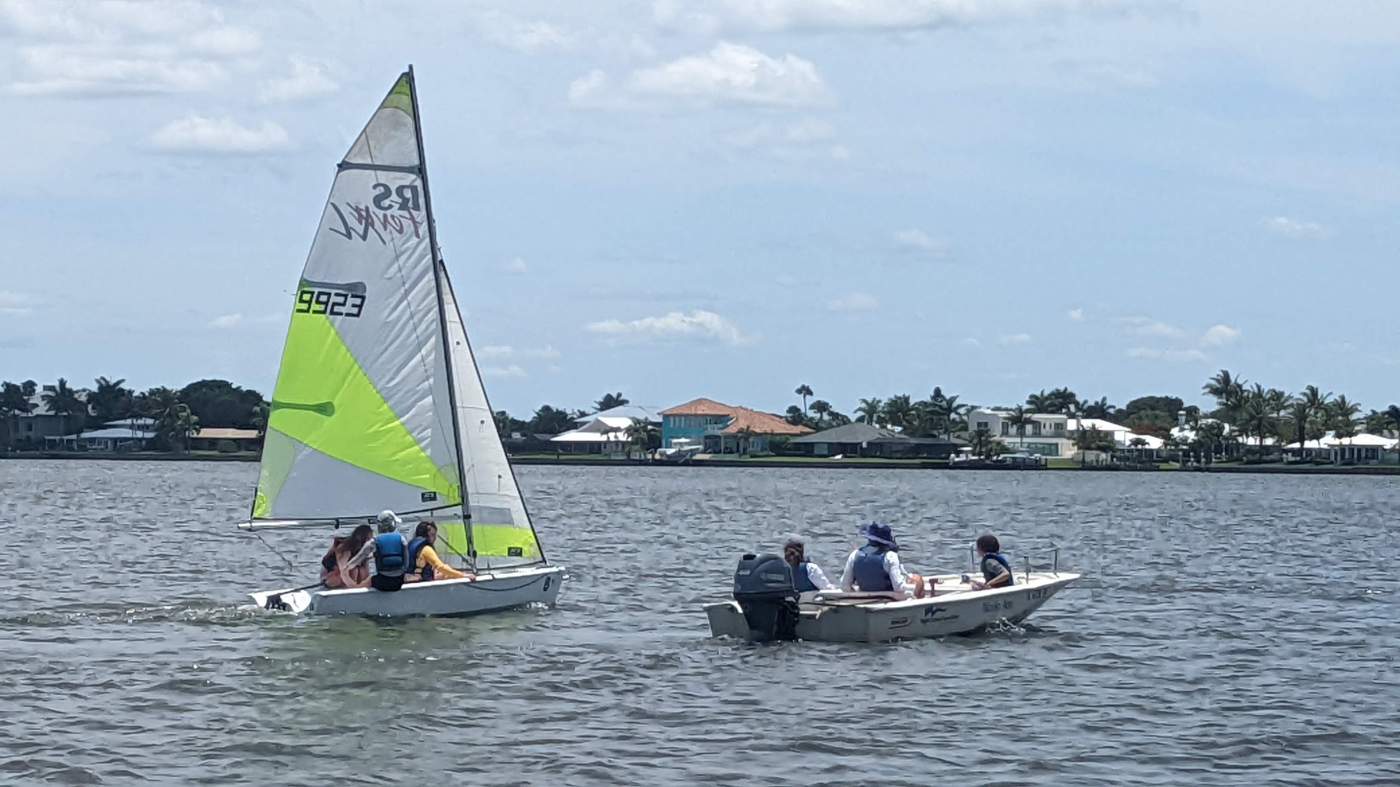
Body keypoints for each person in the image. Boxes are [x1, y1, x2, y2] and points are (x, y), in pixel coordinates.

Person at [839, 523, 929, 599]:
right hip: (888, 599)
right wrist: (916, 586)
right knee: (918, 579)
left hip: (864, 598)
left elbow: (845, 586)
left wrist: (858, 595)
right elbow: (898, 588)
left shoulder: (854, 555)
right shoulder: (890, 556)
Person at [404, 521, 473, 582]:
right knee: (446, 568)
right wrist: (463, 575)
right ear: (426, 535)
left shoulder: (410, 545)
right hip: (423, 584)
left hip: (410, 581)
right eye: (432, 535)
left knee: (444, 570)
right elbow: (440, 567)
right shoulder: (426, 549)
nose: (435, 538)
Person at [320, 524, 373, 589]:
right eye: (368, 539)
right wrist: (353, 586)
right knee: (354, 571)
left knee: (360, 571)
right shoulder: (344, 548)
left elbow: (366, 573)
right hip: (330, 572)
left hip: (347, 571)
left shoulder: (366, 550)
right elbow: (343, 570)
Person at [370, 510, 409, 592]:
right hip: (399, 581)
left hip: (382, 581)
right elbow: (406, 564)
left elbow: (365, 558)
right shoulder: (402, 539)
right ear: (392, 524)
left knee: (370, 579)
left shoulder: (375, 541)